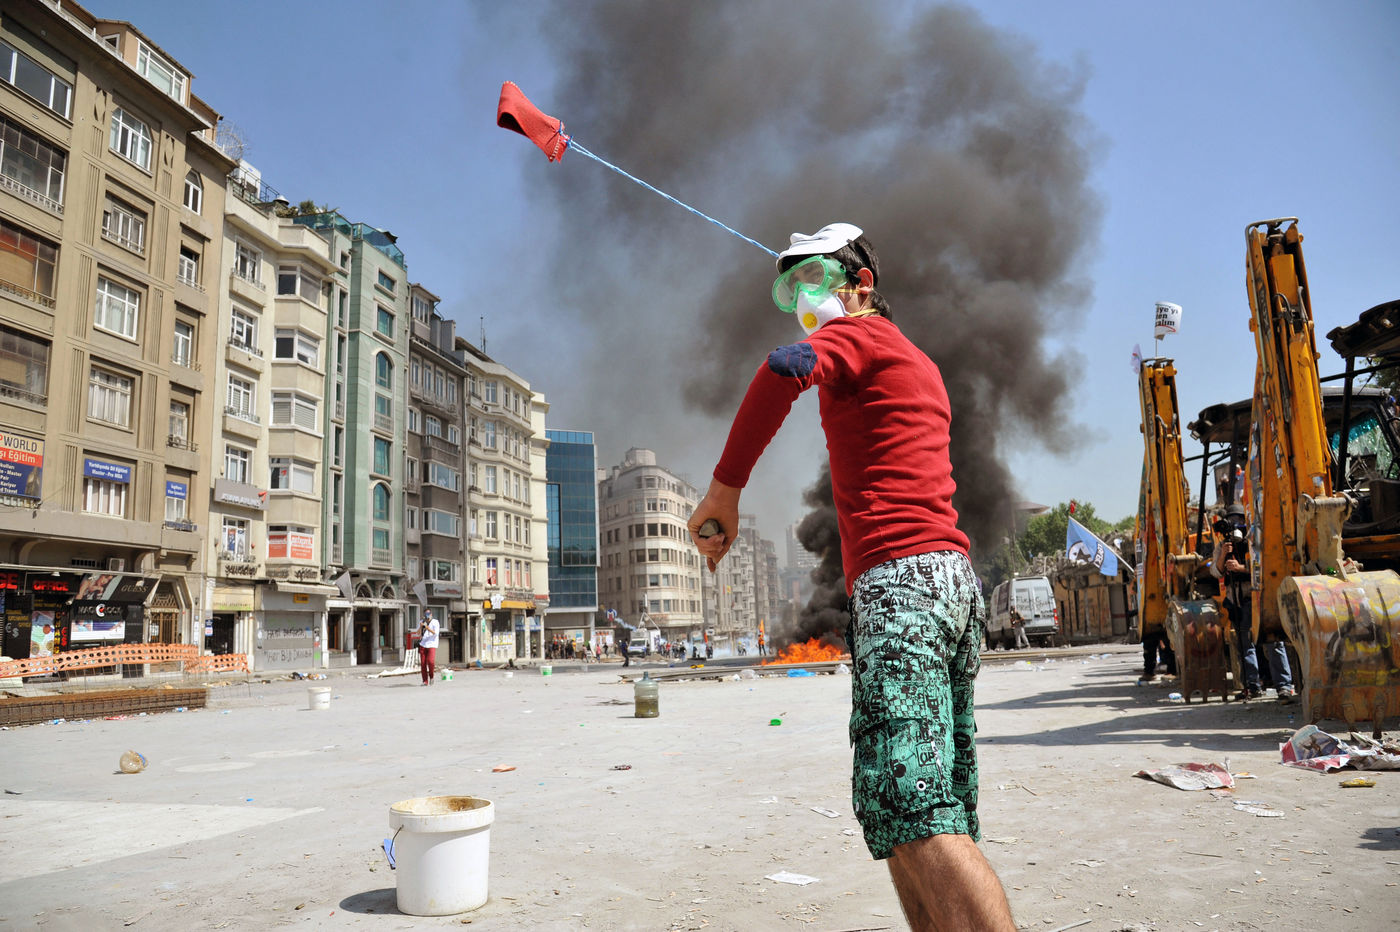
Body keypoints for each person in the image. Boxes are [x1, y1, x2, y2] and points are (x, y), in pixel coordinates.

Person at [688, 223, 1014, 930]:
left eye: (813, 279)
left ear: (862, 284)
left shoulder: (858, 337)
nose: (802, 299)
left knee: (919, 815)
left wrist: (723, 493)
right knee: (909, 812)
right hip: (949, 584)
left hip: (902, 587)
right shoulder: (915, 359)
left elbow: (783, 368)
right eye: (790, 289)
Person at [417, 611, 439, 686]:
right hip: (423, 644)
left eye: (429, 614)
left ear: (431, 614)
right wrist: (421, 626)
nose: (427, 616)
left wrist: (427, 628)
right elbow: (418, 633)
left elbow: (436, 633)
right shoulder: (422, 621)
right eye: (426, 614)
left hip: (432, 644)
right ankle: (425, 681)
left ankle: (431, 676)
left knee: (430, 661)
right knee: (423, 663)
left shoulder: (435, 622)